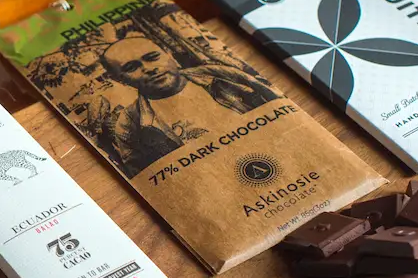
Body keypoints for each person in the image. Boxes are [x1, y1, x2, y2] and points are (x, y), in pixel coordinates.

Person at [94, 35, 281, 176]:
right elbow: (148, 178)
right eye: (131, 67)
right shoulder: (129, 125)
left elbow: (279, 106)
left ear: (168, 54)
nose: (150, 68)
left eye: (152, 57)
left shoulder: (222, 75)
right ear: (119, 79)